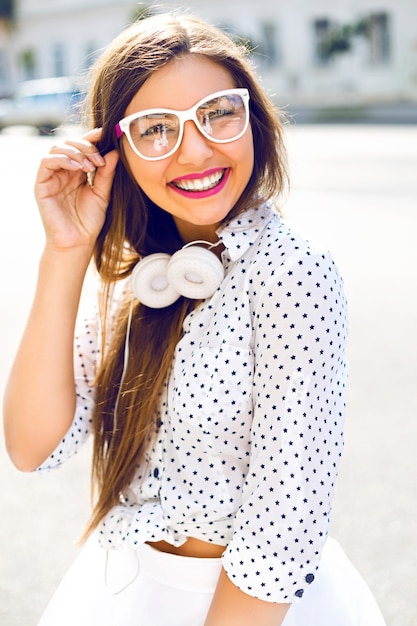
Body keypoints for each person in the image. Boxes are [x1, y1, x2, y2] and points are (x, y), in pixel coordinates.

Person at [3, 11, 387, 626]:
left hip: (253, 608)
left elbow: (283, 530)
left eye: (218, 112)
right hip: (125, 590)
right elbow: (31, 446)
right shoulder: (136, 277)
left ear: (252, 118)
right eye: (156, 128)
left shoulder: (292, 274)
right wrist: (66, 253)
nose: (195, 148)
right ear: (114, 150)